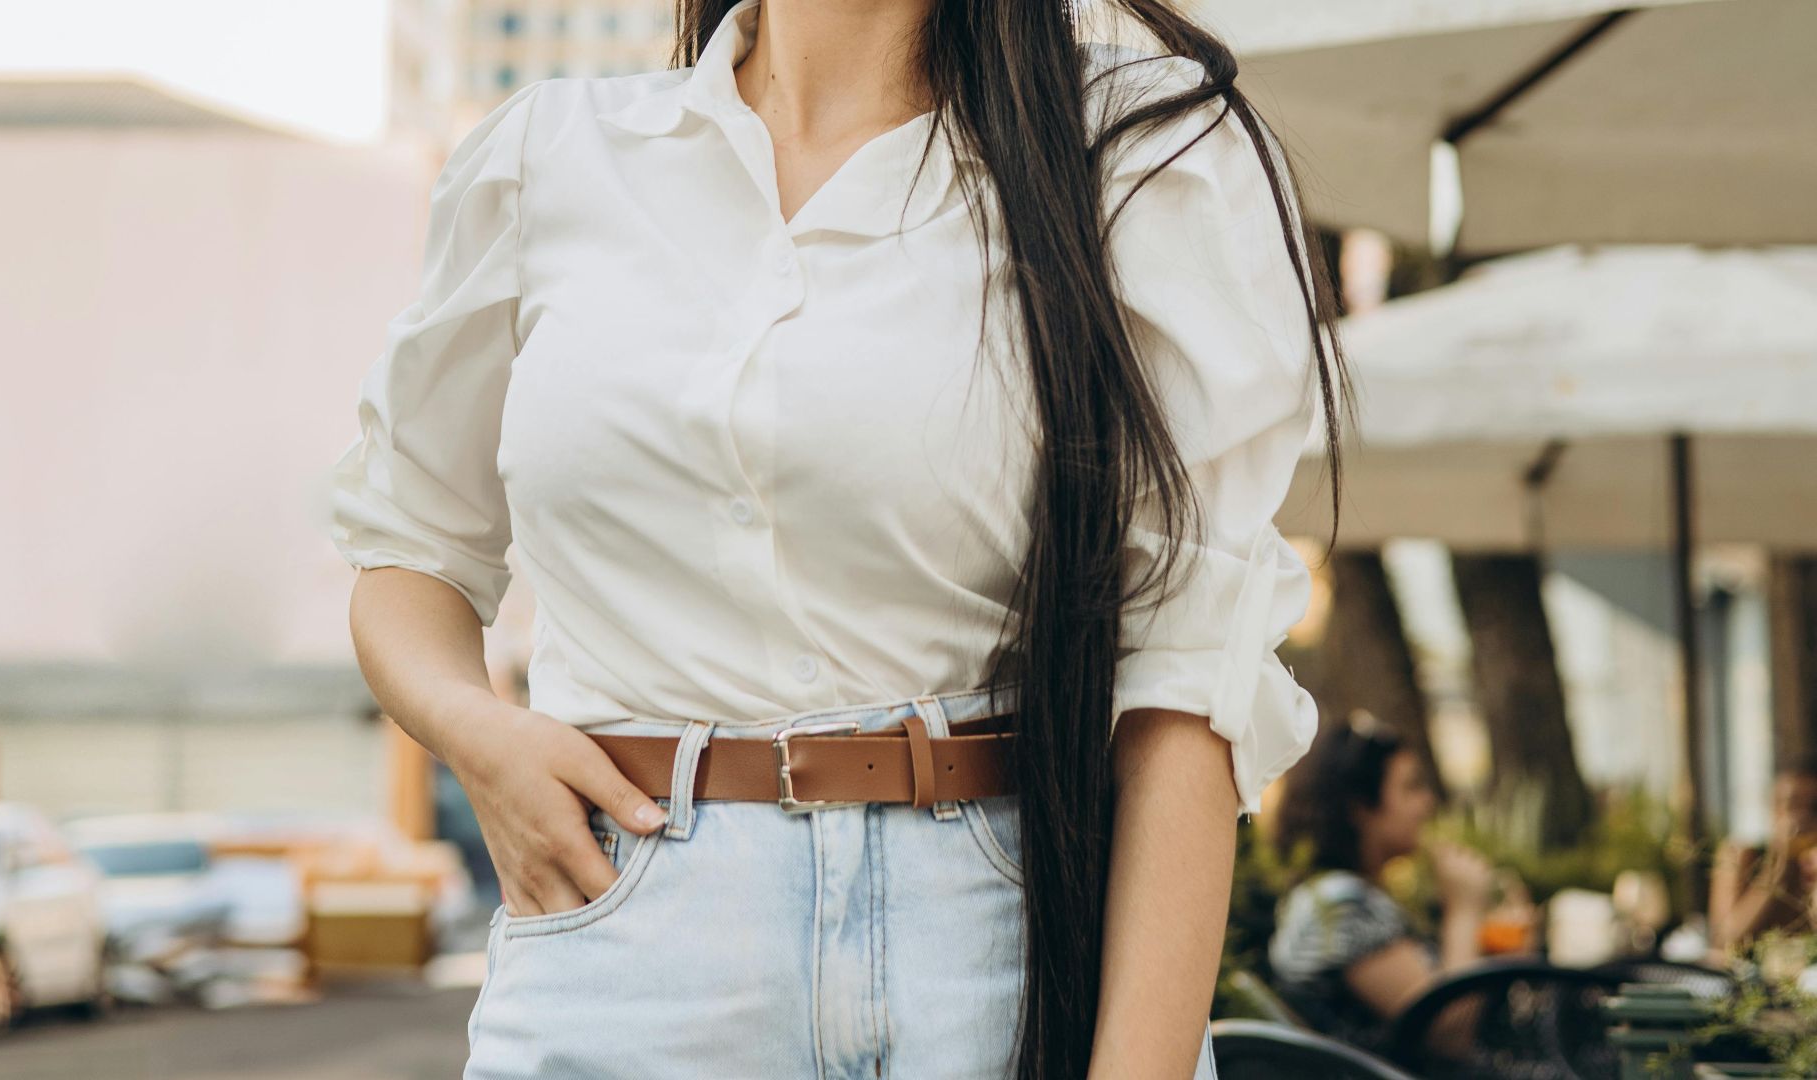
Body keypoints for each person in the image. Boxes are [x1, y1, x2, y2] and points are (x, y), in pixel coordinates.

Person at [326, 0, 1350, 1076]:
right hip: (622, 935)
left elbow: (1187, 686)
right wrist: (473, 732)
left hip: (997, 950)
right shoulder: (548, 158)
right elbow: (409, 547)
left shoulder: (1138, 150)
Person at [1266, 713, 1511, 1057]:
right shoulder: (1340, 907)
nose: (1427, 803)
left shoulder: (1341, 896)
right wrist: (1464, 909)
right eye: (1411, 787)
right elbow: (1449, 1029)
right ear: (1359, 807)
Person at [1710, 751, 1817, 963]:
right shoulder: (1742, 856)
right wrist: (1776, 871)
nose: (1801, 817)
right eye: (1792, 805)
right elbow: (1725, 941)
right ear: (1773, 809)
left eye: (1813, 808)